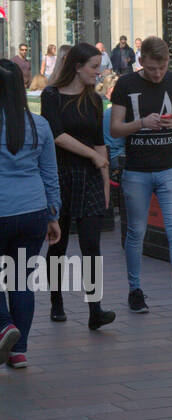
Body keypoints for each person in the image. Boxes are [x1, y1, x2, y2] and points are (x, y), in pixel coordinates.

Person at [109, 36, 172, 321]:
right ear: (141, 62)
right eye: (151, 68)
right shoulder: (126, 85)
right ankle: (135, 289)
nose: (157, 74)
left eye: (162, 68)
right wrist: (141, 123)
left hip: (170, 167)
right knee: (136, 231)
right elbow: (115, 128)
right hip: (137, 170)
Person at [38, 44, 114, 331]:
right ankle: (57, 301)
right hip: (60, 174)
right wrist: (94, 156)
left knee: (91, 244)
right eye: (94, 66)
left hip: (90, 177)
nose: (99, 72)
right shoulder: (52, 95)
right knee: (58, 243)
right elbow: (56, 134)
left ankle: (95, 309)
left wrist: (105, 182)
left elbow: (99, 141)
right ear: (78, 66)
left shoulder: (94, 100)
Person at [0, 59, 61, 370]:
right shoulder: (39, 125)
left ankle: (4, 325)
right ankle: (19, 350)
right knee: (21, 280)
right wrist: (53, 215)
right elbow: (50, 174)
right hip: (33, 211)